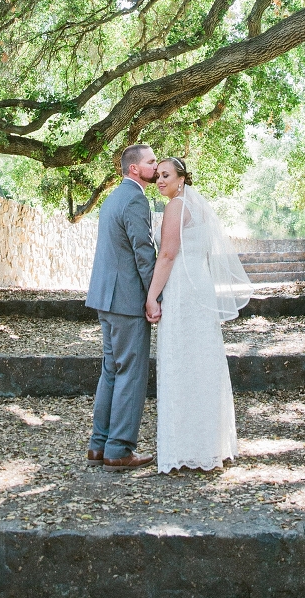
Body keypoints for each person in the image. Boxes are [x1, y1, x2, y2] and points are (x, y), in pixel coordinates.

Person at [146, 157, 253, 474]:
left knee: (182, 361)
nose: (160, 180)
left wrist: (152, 295)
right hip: (200, 286)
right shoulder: (201, 208)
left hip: (182, 289)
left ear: (181, 178)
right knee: (202, 362)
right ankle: (209, 445)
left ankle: (184, 448)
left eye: (166, 175)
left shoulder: (176, 207)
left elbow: (166, 255)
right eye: (158, 176)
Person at [85, 143, 159, 471]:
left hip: (105, 296)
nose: (156, 167)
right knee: (131, 372)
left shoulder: (113, 197)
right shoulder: (135, 199)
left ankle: (98, 446)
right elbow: (143, 251)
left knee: (111, 370)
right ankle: (120, 449)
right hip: (126, 300)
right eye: (151, 162)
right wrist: (153, 296)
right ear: (134, 169)